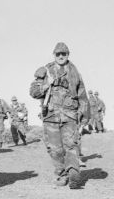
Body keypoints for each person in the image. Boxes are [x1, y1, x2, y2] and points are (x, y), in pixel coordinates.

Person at [29, 42, 88, 189]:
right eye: (58, 54)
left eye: (64, 54)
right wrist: (46, 85)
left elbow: (82, 96)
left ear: (68, 55)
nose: (61, 56)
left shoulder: (75, 73)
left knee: (71, 145)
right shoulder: (45, 71)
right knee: (55, 150)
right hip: (51, 116)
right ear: (54, 55)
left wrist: (85, 116)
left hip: (70, 115)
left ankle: (73, 172)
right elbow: (33, 92)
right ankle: (62, 174)